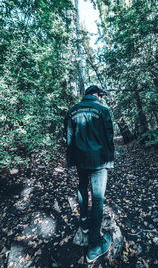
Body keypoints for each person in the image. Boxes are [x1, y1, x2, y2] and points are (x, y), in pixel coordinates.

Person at [64, 85, 114, 264]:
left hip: (81, 160)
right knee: (98, 198)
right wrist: (109, 160)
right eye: (100, 95)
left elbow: (67, 137)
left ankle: (84, 224)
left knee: (82, 188)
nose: (100, 98)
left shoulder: (71, 111)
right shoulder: (102, 110)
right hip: (99, 160)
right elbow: (109, 136)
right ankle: (94, 245)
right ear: (95, 94)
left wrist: (73, 158)